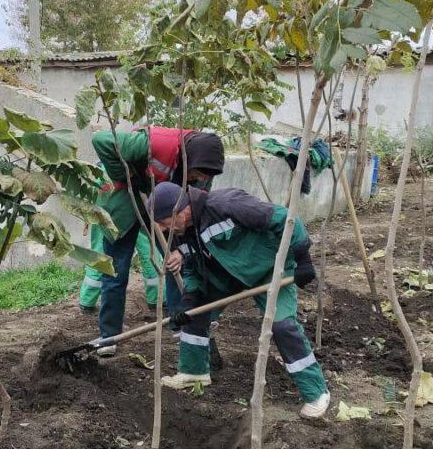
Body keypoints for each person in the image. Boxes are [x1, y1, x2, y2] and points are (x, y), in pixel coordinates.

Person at [147, 181, 331, 419]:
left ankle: (316, 392)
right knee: (194, 313)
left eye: (163, 222)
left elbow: (284, 217)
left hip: (270, 268)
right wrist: (190, 298)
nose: (162, 229)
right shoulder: (181, 232)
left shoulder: (226, 204)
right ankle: (194, 371)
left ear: (180, 211)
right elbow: (192, 267)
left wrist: (302, 256)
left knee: (282, 326)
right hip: (229, 275)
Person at [91, 126, 225, 356]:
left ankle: (180, 322)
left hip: (167, 214)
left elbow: (198, 203)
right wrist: (126, 177)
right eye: (200, 173)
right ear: (190, 159)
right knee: (116, 270)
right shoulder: (157, 144)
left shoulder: (205, 172)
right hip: (128, 205)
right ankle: (109, 336)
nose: (203, 179)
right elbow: (101, 139)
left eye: (207, 176)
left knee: (176, 262)